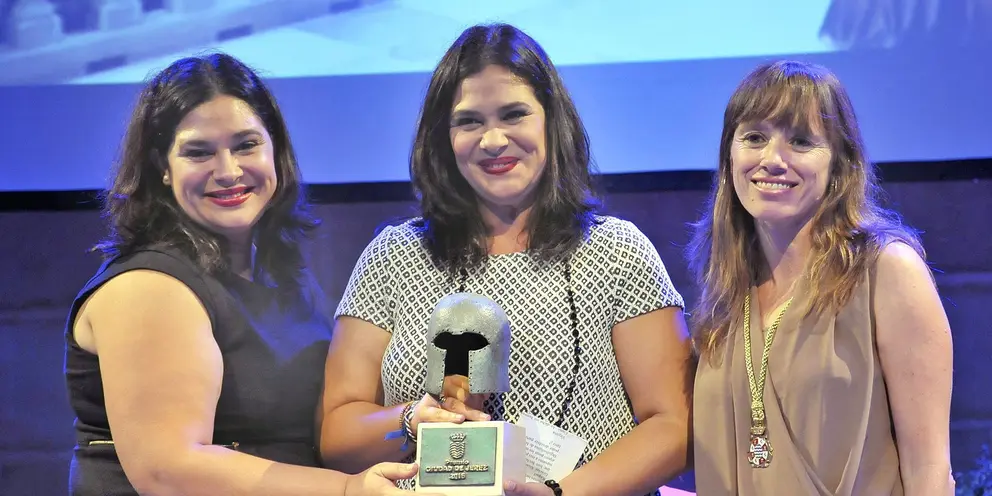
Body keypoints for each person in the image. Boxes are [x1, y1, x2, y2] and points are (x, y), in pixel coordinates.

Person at [318, 23, 693, 496]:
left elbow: (672, 425)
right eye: (469, 121)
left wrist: (560, 494)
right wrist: (413, 418)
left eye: (513, 115)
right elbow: (337, 434)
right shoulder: (393, 256)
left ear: (550, 122)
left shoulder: (617, 251)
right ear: (443, 137)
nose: (493, 141)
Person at [63, 53, 438, 496]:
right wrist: (346, 490)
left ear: (275, 150)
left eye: (245, 145)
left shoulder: (284, 278)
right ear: (161, 168)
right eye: (199, 152)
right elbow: (169, 470)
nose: (228, 171)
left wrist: (410, 421)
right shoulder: (148, 287)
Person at [687, 60, 954, 495]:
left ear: (840, 165)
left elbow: (929, 468)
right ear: (728, 156)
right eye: (754, 137)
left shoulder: (886, 270)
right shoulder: (725, 293)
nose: (772, 160)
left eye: (801, 141)